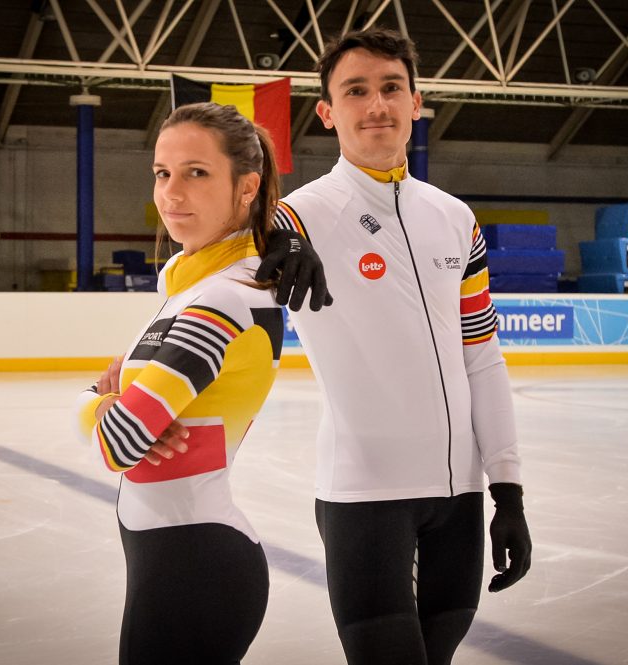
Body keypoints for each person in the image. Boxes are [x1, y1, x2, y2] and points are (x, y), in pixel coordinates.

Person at [256, 29, 533, 665]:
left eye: (391, 88)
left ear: (416, 102)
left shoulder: (456, 219)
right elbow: (213, 254)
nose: (376, 104)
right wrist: (269, 230)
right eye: (356, 91)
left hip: (458, 499)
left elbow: (482, 358)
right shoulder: (300, 216)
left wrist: (508, 491)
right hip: (363, 496)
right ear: (327, 112)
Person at [73, 102, 285, 665]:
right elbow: (126, 433)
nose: (171, 192)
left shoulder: (225, 297)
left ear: (247, 187)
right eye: (163, 173)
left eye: (197, 172)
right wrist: (112, 406)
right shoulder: (187, 287)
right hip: (166, 561)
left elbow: (118, 444)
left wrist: (94, 401)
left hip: (197, 569)